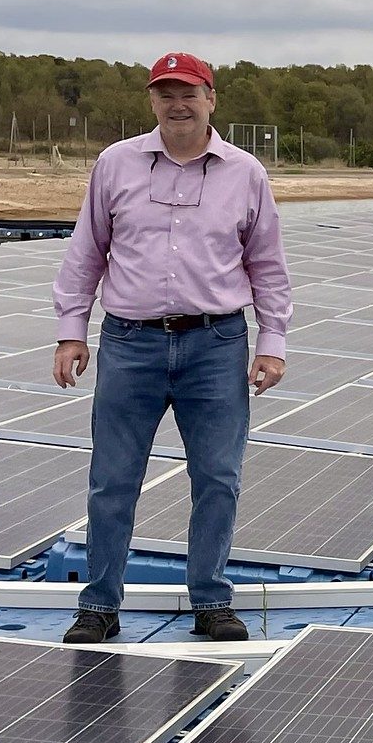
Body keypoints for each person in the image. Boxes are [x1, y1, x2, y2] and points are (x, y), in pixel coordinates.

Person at [52, 52, 292, 644]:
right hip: (130, 346)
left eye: (189, 92)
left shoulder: (245, 173)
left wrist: (273, 342)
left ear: (212, 98)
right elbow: (88, 250)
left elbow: (268, 265)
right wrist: (71, 329)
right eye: (165, 93)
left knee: (217, 476)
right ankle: (99, 605)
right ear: (152, 101)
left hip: (215, 344)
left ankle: (210, 599)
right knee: (112, 479)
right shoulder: (116, 164)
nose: (177, 104)